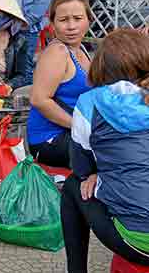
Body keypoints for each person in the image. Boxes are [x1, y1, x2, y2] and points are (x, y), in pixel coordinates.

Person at [62, 29, 149, 272]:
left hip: (137, 244)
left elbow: (80, 165)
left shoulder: (90, 102)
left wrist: (96, 173)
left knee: (71, 187)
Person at [27, 0, 93, 168]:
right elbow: (39, 100)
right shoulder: (58, 52)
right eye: (63, 20)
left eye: (78, 18)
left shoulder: (83, 51)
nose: (71, 26)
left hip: (74, 133)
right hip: (50, 139)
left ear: (88, 20)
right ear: (53, 25)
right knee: (117, 150)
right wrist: (80, 128)